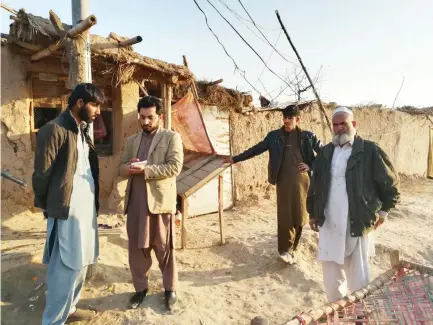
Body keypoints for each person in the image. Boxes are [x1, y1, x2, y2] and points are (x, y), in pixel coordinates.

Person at [308, 106, 400, 302]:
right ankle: (338, 314)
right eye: (335, 124)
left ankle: (360, 317)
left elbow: (390, 183)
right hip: (329, 222)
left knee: (359, 280)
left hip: (356, 221)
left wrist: (383, 212)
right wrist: (313, 212)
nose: (340, 128)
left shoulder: (369, 150)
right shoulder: (325, 153)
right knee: (332, 281)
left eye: (344, 123)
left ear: (354, 125)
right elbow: (315, 185)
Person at [33, 83, 105, 324]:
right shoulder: (54, 130)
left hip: (86, 213)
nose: (97, 111)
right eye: (94, 105)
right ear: (80, 103)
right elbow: (41, 174)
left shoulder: (82, 130)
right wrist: (46, 205)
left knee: (82, 264)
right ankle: (53, 320)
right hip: (66, 212)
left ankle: (71, 309)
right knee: (64, 268)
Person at [225, 105, 322, 264]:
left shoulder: (308, 136)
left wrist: (311, 166)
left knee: (299, 216)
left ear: (298, 119)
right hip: (283, 181)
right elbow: (256, 149)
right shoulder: (274, 136)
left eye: (290, 118)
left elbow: (326, 153)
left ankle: (294, 249)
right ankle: (284, 250)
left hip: (302, 181)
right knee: (284, 216)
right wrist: (235, 158)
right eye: (285, 117)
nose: (286, 121)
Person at [120, 95, 183, 310]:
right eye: (142, 117)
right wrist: (128, 167)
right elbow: (120, 167)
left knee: (164, 247)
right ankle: (140, 289)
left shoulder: (171, 137)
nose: (145, 122)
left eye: (150, 117)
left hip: (160, 202)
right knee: (137, 249)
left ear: (160, 117)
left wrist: (145, 169)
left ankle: (170, 289)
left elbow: (174, 167)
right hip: (136, 203)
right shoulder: (131, 141)